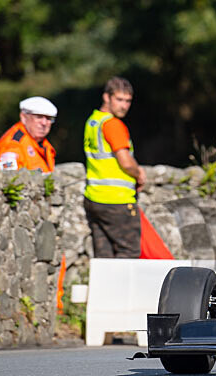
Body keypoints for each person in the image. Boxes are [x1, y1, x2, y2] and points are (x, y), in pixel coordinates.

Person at [83, 76, 147, 258]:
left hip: (94, 199)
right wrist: (139, 174)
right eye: (119, 99)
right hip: (117, 201)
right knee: (129, 254)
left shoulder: (93, 121)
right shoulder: (113, 125)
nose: (124, 106)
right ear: (106, 97)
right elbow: (125, 162)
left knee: (104, 257)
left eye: (128, 101)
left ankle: (103, 280)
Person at [0, 96, 57, 172]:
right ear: (23, 117)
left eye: (48, 118)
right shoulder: (13, 145)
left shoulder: (43, 144)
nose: (44, 123)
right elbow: (11, 177)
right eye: (39, 117)